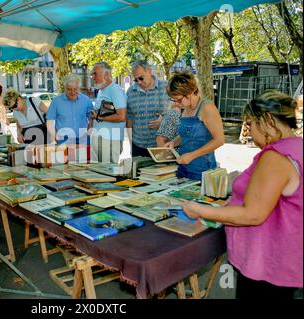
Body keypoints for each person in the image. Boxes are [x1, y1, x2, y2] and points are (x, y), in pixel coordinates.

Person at [182, 91, 303, 299]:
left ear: (266, 121)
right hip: (283, 258)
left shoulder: (275, 157)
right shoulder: (296, 147)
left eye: (249, 125)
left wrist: (200, 210)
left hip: (266, 263)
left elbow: (253, 214)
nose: (247, 132)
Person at [164, 71, 224, 180]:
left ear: (190, 92)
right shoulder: (186, 107)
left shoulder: (207, 108)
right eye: (174, 100)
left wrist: (192, 155)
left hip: (203, 170)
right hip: (183, 168)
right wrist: (174, 142)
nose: (176, 103)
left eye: (178, 99)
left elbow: (219, 140)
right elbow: (187, 134)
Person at [126, 60, 171, 157]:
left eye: (141, 78)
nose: (139, 82)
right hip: (138, 147)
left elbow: (179, 111)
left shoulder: (166, 87)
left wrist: (164, 121)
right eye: (136, 79)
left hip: (163, 146)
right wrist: (130, 145)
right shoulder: (130, 92)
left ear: (149, 71)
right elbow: (129, 119)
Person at [90, 62, 127, 163]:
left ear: (106, 75)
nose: (92, 77)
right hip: (100, 138)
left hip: (110, 140)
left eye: (95, 74)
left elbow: (121, 116)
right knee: (97, 174)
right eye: (92, 74)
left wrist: (99, 117)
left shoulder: (115, 90)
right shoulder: (102, 90)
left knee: (107, 174)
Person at [46, 74, 93, 145]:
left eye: (75, 89)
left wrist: (89, 133)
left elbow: (92, 118)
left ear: (79, 88)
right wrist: (55, 136)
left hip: (83, 139)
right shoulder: (56, 101)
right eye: (69, 89)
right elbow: (49, 121)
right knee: (65, 156)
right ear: (64, 88)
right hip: (63, 139)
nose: (73, 92)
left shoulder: (86, 100)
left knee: (84, 156)